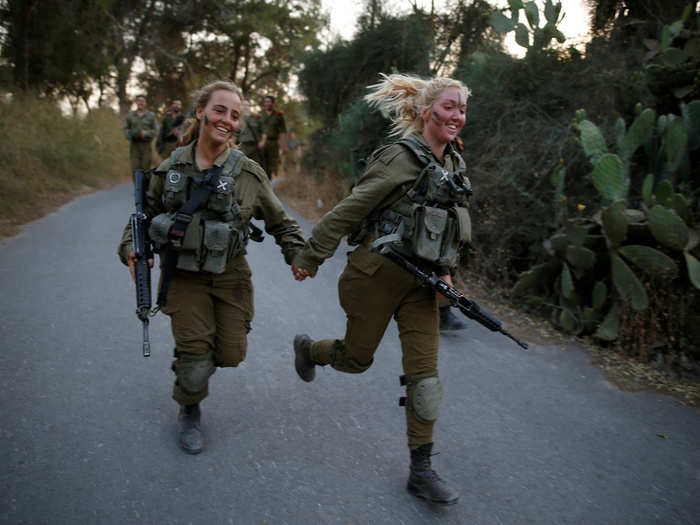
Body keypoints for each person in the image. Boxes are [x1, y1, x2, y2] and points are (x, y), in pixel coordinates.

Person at [290, 73, 472, 506]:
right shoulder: (399, 158)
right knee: (355, 360)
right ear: (427, 111)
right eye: (448, 107)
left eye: (462, 109)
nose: (456, 116)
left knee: (425, 380)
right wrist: (311, 255)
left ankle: (421, 470)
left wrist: (447, 275)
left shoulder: (455, 166)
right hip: (375, 276)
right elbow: (352, 208)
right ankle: (310, 350)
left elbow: (448, 231)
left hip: (421, 288)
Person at [117, 80, 305, 454]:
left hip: (231, 275)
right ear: (201, 111)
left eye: (235, 115)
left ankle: (192, 361)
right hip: (183, 277)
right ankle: (190, 406)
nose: (227, 120)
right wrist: (131, 248)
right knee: (197, 358)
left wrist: (299, 256)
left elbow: (281, 222)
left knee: (231, 354)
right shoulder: (173, 166)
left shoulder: (248, 173)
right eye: (220, 110)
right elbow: (144, 214)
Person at [124, 94, 158, 172]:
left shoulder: (151, 115)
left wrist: (146, 133)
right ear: (136, 102)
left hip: (146, 145)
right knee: (135, 168)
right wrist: (133, 134)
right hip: (134, 145)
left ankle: (145, 184)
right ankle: (137, 184)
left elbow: (156, 130)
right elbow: (125, 129)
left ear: (145, 103)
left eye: (142, 101)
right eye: (139, 101)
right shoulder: (130, 115)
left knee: (146, 168)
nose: (141, 103)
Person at [257, 95, 287, 179]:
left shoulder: (278, 115)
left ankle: (269, 182)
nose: (266, 104)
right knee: (260, 163)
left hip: (273, 143)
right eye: (265, 102)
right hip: (261, 143)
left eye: (268, 102)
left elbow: (283, 132)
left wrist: (283, 146)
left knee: (272, 164)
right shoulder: (259, 114)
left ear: (273, 103)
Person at [237, 101, 264, 167]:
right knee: (240, 163)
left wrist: (262, 141)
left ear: (250, 107)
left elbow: (263, 130)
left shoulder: (256, 117)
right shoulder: (238, 117)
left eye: (247, 105)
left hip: (255, 145)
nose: (245, 107)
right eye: (243, 105)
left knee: (256, 165)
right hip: (243, 145)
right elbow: (235, 133)